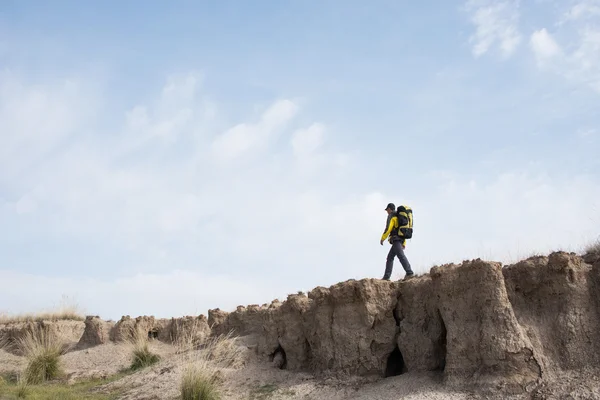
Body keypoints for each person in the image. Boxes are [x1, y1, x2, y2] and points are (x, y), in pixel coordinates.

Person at [380, 203, 414, 281]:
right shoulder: (399, 216)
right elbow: (402, 230)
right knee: (390, 257)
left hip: (396, 239)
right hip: (400, 239)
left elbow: (388, 228)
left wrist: (382, 238)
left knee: (400, 256)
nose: (387, 212)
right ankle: (386, 277)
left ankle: (409, 272)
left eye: (387, 210)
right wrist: (404, 243)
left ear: (389, 209)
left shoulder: (392, 216)